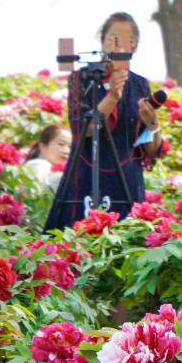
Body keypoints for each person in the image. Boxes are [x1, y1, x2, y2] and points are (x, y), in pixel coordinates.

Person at [44, 12, 165, 230]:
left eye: (128, 40)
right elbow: (83, 130)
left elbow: (148, 149)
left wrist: (152, 124)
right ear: (103, 42)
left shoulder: (140, 85)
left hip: (126, 182)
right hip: (87, 179)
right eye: (114, 39)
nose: (120, 47)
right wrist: (112, 97)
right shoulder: (82, 78)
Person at [24, 124, 71, 189]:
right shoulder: (36, 164)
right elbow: (40, 186)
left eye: (70, 147)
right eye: (61, 144)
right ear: (43, 146)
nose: (67, 151)